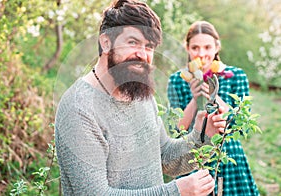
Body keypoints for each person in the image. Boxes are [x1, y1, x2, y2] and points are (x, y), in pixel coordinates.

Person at [54, 1, 227, 195]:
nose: (142, 55)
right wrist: (176, 191)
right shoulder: (79, 108)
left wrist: (204, 136)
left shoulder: (138, 93)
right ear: (106, 42)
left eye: (149, 46)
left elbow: (165, 157)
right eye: (133, 42)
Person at [167, 20, 259, 195]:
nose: (201, 54)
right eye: (195, 48)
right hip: (193, 157)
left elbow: (238, 126)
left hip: (228, 155)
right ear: (187, 48)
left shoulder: (236, 76)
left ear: (217, 47)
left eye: (207, 47)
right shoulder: (177, 80)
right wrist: (195, 99)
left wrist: (212, 92)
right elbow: (178, 129)